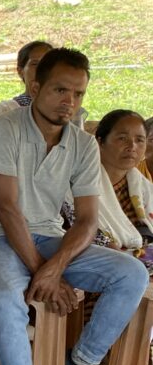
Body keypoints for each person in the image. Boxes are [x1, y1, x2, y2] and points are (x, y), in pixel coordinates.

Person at [0, 47, 149, 365]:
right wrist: (41, 270)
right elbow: (6, 207)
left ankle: (80, 362)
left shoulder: (82, 144)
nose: (70, 101)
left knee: (131, 273)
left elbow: (87, 220)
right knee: (6, 300)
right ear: (35, 88)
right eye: (60, 90)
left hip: (50, 237)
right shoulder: (5, 128)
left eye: (78, 94)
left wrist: (55, 267)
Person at [61, 109, 153, 274]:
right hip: (95, 264)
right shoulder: (77, 182)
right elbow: (78, 232)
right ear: (100, 141)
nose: (132, 147)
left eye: (139, 140)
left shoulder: (144, 187)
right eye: (122, 138)